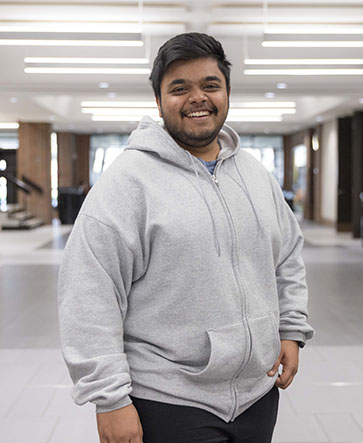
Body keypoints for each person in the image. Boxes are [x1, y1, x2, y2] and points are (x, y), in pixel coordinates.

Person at [58, 32, 314, 443]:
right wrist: (109, 399)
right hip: (167, 400)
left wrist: (290, 329)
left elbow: (287, 258)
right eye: (179, 88)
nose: (198, 97)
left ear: (227, 92)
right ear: (159, 102)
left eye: (210, 85)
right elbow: (90, 292)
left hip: (258, 394)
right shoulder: (127, 183)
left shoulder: (254, 175)